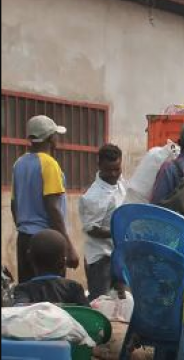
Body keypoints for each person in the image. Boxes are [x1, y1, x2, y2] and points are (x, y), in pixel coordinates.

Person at [11, 115, 79, 283]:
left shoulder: (19, 163)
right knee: (51, 298)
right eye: (56, 135)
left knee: (29, 297)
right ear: (50, 138)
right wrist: (69, 246)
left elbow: (14, 205)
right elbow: (53, 208)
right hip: (48, 241)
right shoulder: (49, 164)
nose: (57, 139)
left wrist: (24, 229)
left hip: (25, 239)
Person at [79, 144, 127, 301]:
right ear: (99, 165)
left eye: (117, 169)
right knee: (100, 303)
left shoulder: (120, 182)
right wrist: (118, 232)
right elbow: (91, 229)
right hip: (101, 259)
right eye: (109, 170)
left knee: (121, 300)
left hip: (118, 254)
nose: (114, 174)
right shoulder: (93, 196)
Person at [12, 230, 89, 306]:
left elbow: (20, 311)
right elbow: (88, 315)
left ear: (29, 258)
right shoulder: (74, 288)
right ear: (64, 262)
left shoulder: (23, 290)